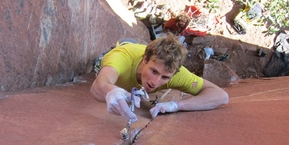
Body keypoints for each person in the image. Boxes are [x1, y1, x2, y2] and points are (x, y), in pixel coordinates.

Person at [90, 34, 229, 122]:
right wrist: (111, 91)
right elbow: (99, 84)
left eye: (165, 77)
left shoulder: (175, 73)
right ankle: (126, 42)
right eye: (154, 71)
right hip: (123, 51)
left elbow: (221, 96)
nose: (155, 82)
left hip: (141, 53)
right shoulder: (121, 59)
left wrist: (177, 105)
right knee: (101, 61)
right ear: (145, 59)